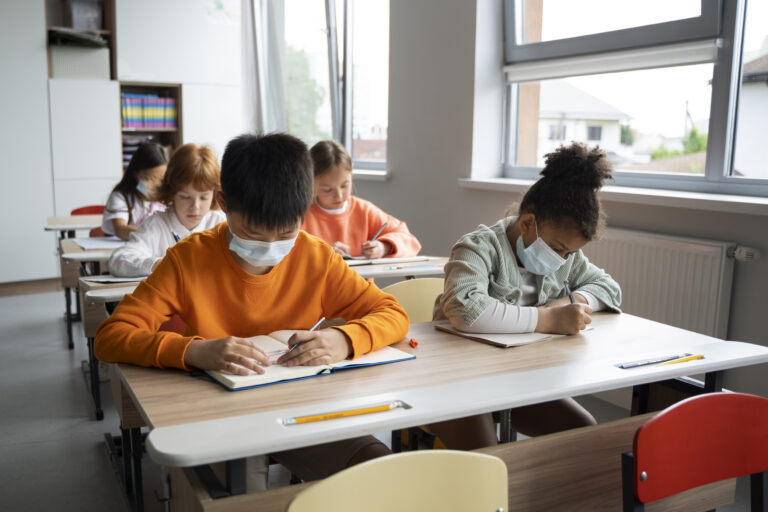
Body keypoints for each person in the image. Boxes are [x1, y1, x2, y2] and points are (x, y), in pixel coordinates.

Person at [95, 133, 409, 490]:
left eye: (286, 232)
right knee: (244, 486)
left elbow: (392, 313)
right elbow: (111, 336)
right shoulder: (188, 259)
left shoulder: (315, 257)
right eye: (253, 233)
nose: (270, 246)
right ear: (224, 204)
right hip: (220, 415)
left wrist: (343, 339)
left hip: (299, 412)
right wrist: (194, 351)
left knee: (384, 474)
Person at [430, 142, 622, 450]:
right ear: (528, 223)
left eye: (570, 253)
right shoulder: (477, 248)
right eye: (558, 248)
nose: (563, 259)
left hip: (513, 380)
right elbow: (465, 310)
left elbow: (609, 288)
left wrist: (575, 302)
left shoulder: (567, 258)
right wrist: (546, 319)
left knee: (583, 434)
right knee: (489, 455)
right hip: (455, 381)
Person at [108, 144, 225, 277]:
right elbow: (118, 261)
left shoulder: (221, 224)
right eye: (185, 197)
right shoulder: (157, 225)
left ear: (215, 194)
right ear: (171, 192)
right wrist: (159, 264)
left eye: (204, 197)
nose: (195, 207)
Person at [302, 140, 421, 259]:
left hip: (360, 278)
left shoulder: (365, 211)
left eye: (344, 186)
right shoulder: (300, 215)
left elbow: (409, 240)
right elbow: (287, 256)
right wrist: (320, 252)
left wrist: (384, 247)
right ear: (311, 182)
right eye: (327, 190)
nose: (339, 196)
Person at [102, 142, 168, 240]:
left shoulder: (168, 196)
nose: (156, 184)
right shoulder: (120, 197)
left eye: (161, 179)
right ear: (135, 174)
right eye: (149, 178)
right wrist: (153, 236)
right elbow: (120, 229)